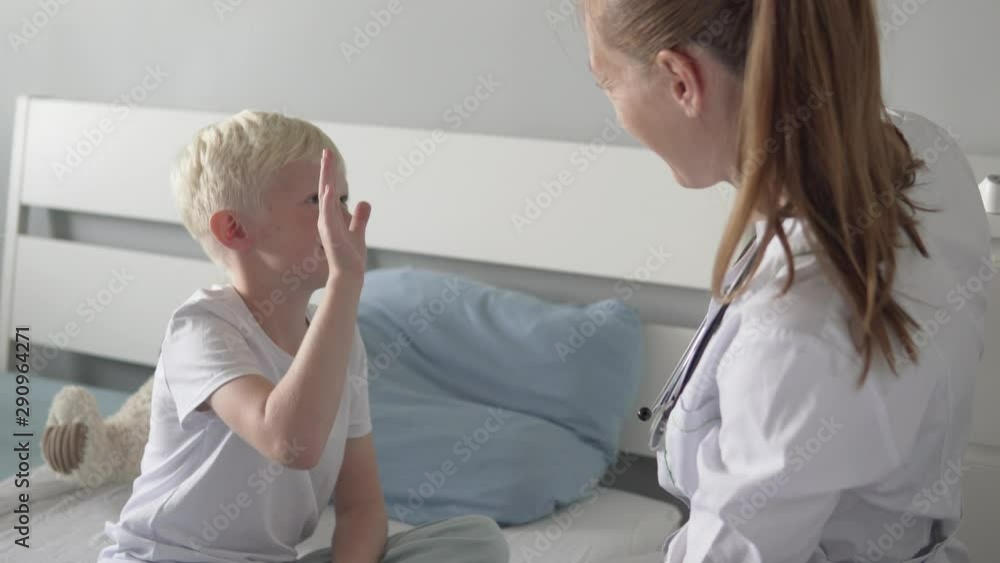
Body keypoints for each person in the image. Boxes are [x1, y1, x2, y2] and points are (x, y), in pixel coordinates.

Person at [582, 1, 992, 562]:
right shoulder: (927, 151)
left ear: (681, 80)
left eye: (606, 81)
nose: (616, 109)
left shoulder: (792, 325)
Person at [98, 111, 509, 563]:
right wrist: (344, 284)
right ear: (234, 229)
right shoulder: (201, 328)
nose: (343, 219)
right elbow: (290, 442)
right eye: (318, 200)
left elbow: (361, 507)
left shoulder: (341, 338)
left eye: (343, 200)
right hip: (166, 558)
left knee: (476, 541)